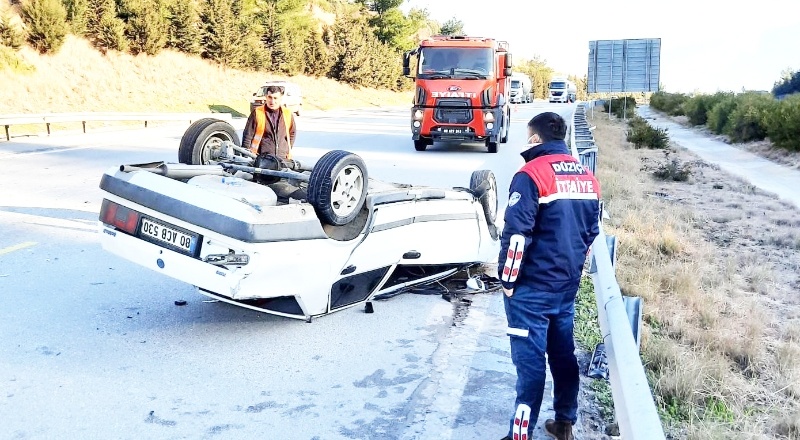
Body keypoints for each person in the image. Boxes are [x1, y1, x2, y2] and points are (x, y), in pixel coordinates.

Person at [498, 112, 601, 440]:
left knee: (529, 366)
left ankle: (520, 435)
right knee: (562, 354)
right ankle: (564, 424)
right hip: (566, 287)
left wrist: (508, 281)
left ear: (535, 139)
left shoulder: (531, 174)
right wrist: (574, 275)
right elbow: (591, 233)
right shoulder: (588, 177)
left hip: (531, 290)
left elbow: (516, 235)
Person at [242, 85, 297, 160]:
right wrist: (246, 156)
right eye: (270, 97)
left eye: (275, 98)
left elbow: (292, 133)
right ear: (266, 97)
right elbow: (248, 135)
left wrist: (286, 149)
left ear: (280, 98)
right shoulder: (257, 113)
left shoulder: (287, 114)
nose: (272, 101)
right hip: (261, 158)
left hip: (282, 159)